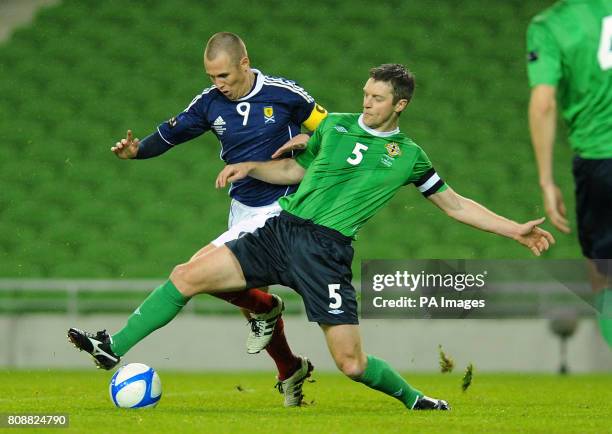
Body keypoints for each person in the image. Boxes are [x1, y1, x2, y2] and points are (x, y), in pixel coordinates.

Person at [69, 63, 554, 411]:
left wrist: (514, 229)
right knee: (187, 275)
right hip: (281, 230)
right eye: (365, 94)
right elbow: (296, 171)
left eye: (378, 98)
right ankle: (114, 345)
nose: (367, 102)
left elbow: (454, 203)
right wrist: (252, 166)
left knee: (351, 364)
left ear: (400, 105)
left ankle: (415, 399)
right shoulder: (336, 126)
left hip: (326, 253)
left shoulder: (410, 156)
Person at [97, 32, 328, 406]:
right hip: (243, 209)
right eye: (211, 78)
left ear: (243, 63)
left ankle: (114, 344)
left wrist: (307, 142)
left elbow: (332, 131)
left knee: (194, 273)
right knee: (241, 296)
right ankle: (289, 368)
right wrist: (138, 150)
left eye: (223, 76)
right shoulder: (209, 104)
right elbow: (169, 135)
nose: (218, 85)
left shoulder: (286, 94)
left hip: (285, 206)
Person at [526, 0, 612, 348]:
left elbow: (544, 102)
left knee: (605, 276)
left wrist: (546, 179)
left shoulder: (551, 25)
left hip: (601, 160)